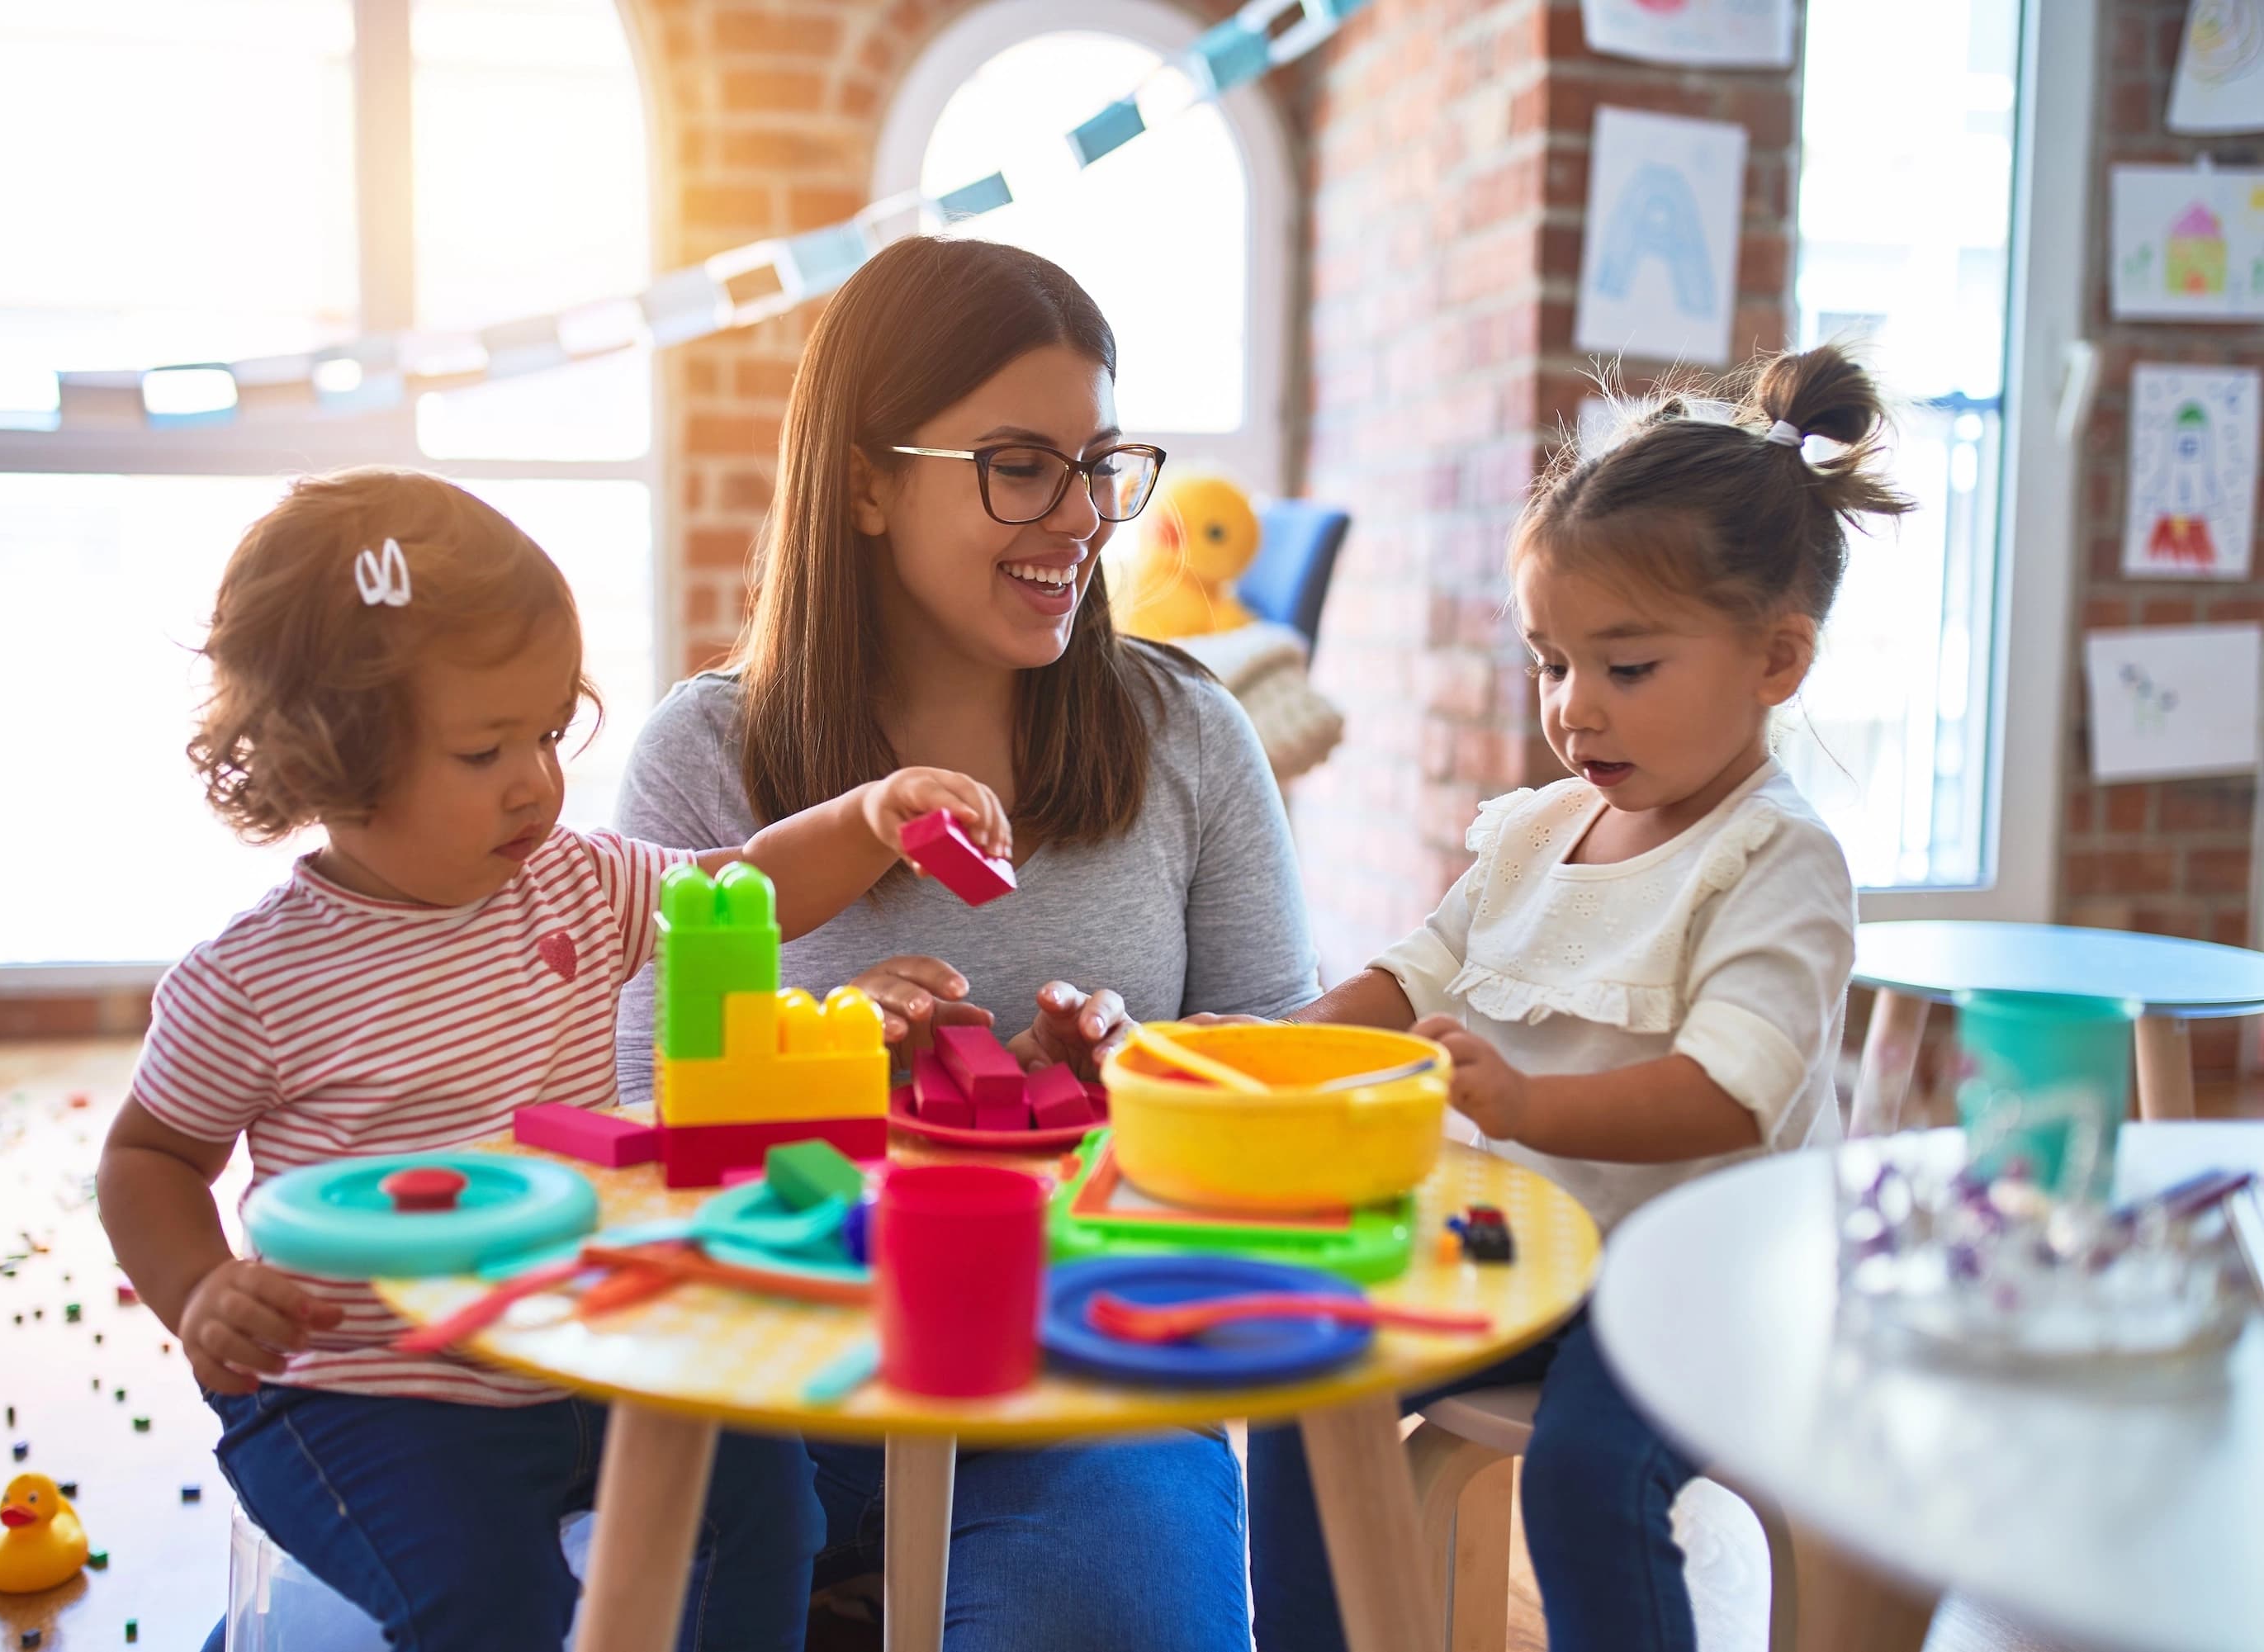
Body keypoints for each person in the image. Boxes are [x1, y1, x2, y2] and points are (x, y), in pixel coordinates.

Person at [94, 467, 1010, 1650]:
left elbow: (746, 892)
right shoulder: (250, 980)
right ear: (332, 757)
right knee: (498, 1604)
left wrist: (870, 815)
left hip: (576, 1339)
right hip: (360, 1391)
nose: (536, 778)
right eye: (484, 750)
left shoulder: (575, 882)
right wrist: (199, 1290)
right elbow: (148, 1156)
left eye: (546, 730)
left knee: (768, 1501)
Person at [615, 235, 1319, 1650]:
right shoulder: (705, 755)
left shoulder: (1190, 736)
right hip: (777, 1376)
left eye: (1098, 464)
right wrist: (823, 1072)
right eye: (1018, 464)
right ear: (866, 480)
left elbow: (1275, 1060)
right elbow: (644, 1120)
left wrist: (1142, 1070)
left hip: (1079, 1382)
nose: (1079, 519)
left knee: (1118, 1607)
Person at [1243, 346, 1911, 1650]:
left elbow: (1727, 1096)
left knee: (1587, 1478)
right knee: (1298, 1386)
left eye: (1627, 667)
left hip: (1699, 1274)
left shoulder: (1777, 862)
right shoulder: (1540, 828)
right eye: (1552, 663)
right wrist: (1266, 1046)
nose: (1573, 708)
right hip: (1532, 1250)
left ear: (1777, 660)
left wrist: (1531, 1099)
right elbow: (1413, 971)